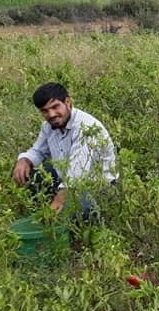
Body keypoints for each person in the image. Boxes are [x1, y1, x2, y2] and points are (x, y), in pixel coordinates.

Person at [12, 82, 117, 215]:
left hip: (98, 187)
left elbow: (77, 174)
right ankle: (38, 212)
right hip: (66, 178)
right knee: (27, 172)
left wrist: (59, 200)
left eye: (55, 107)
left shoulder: (86, 127)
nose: (51, 114)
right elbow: (38, 151)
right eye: (45, 111)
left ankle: (77, 229)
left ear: (67, 102)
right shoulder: (48, 126)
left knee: (77, 205)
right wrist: (24, 160)